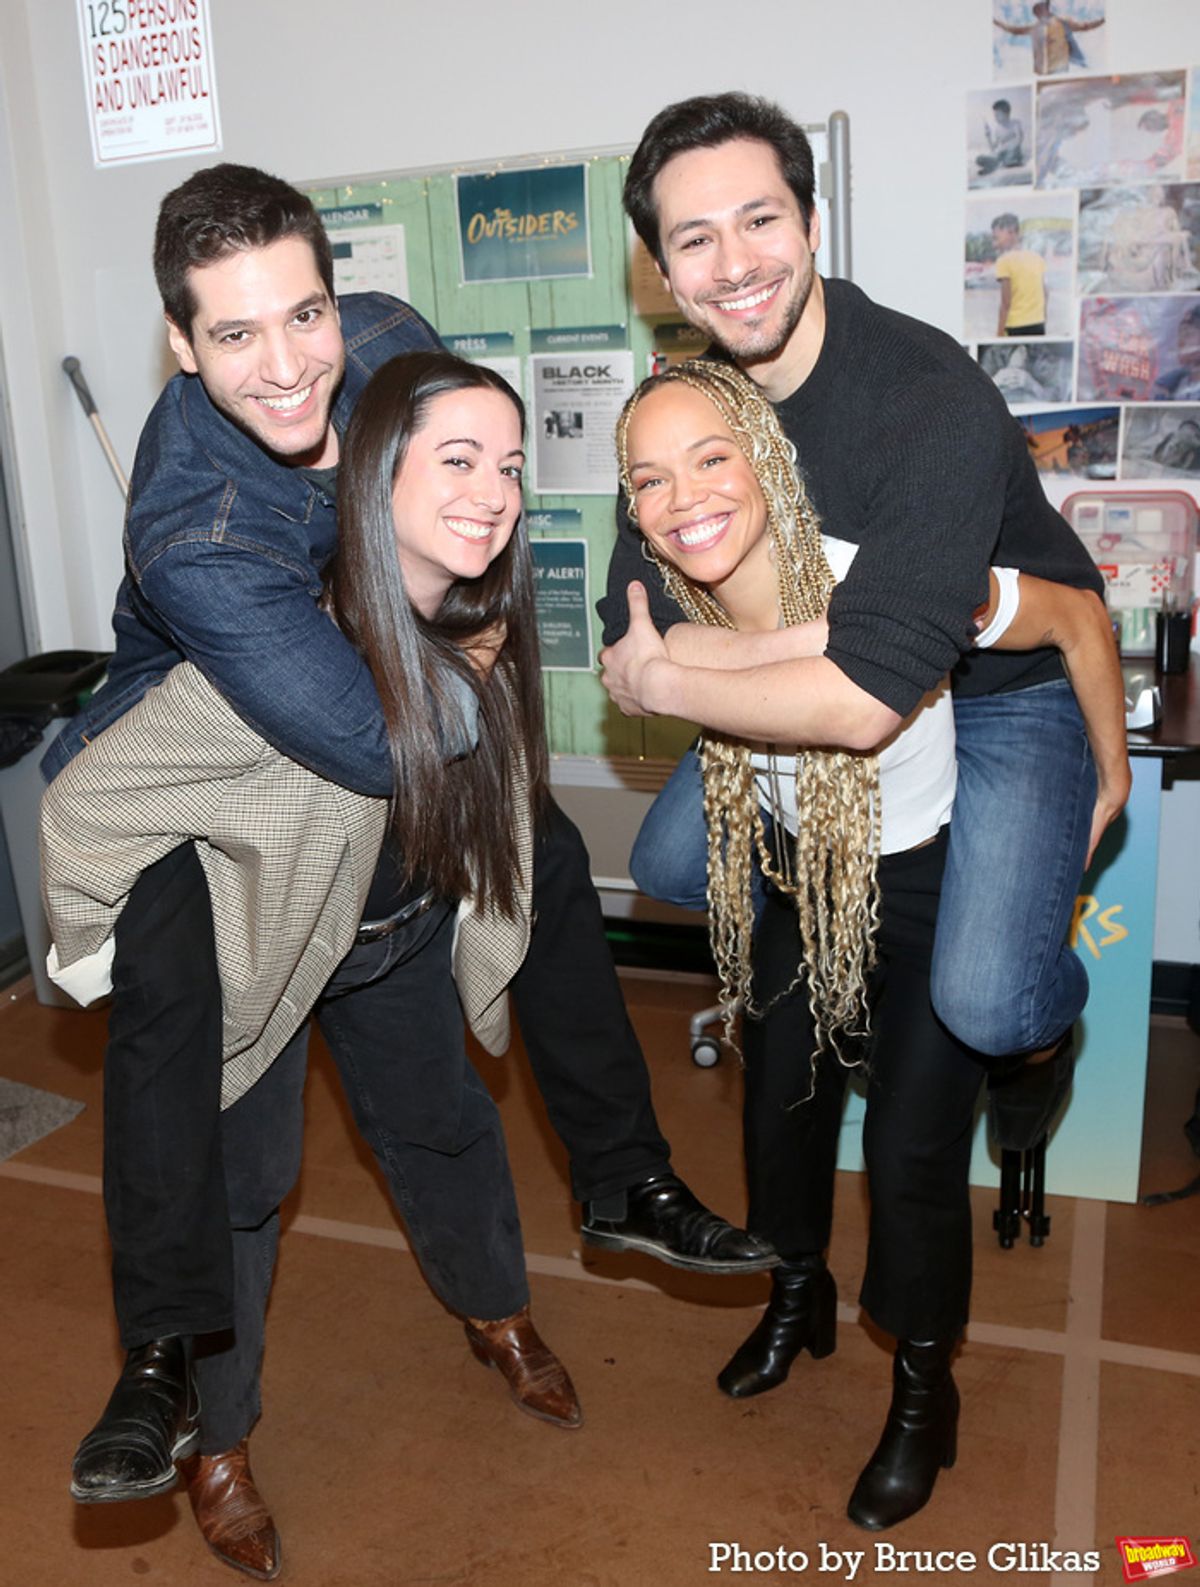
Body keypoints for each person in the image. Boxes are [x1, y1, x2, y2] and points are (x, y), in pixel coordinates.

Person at [43, 166, 771, 1536]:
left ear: (335, 291)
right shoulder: (197, 532)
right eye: (237, 337)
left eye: (302, 313)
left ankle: (539, 1267)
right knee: (239, 1171)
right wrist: (466, 651)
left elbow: (466, 487)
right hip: (238, 859)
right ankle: (207, 1427)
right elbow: (380, 738)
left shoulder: (381, 337)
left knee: (449, 1100)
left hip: (379, 882)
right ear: (182, 344)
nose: (288, 363)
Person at [606, 357, 1128, 1529]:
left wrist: (1110, 768)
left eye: (710, 458)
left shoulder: (891, 581)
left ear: (766, 459)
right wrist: (661, 661)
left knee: (907, 1154)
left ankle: (921, 1387)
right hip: (803, 874)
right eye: (648, 478)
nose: (683, 496)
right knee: (774, 1100)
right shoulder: (668, 610)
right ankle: (798, 1292)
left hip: (927, 875)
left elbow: (1071, 618)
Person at [600, 93, 1128, 1144]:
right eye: (695, 238)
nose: (736, 261)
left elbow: (857, 700)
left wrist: (665, 684)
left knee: (987, 1001)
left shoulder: (927, 395)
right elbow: (636, 616)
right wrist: (690, 656)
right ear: (661, 267)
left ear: (811, 224)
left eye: (760, 220)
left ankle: (1042, 1037)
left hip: (999, 690)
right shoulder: (689, 404)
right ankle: (853, 934)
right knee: (662, 865)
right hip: (835, 671)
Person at [994, 2, 1105, 77]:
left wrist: (1103, 20)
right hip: (1041, 74)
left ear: (1046, 9)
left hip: (1059, 71)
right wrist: (998, 24)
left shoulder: (1062, 22)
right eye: (1036, 12)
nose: (1038, 13)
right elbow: (1015, 30)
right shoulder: (1035, 28)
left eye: (1040, 9)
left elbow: (1084, 26)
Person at [991, 212, 1047, 337]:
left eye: (997, 238)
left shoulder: (1004, 261)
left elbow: (1006, 302)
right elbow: (1045, 293)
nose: (995, 244)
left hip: (1015, 326)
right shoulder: (1037, 258)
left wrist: (999, 333)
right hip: (1038, 323)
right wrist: (1043, 319)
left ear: (1011, 232)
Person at [975, 99, 1025, 177]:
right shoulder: (997, 129)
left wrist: (1009, 147)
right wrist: (988, 136)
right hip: (1001, 155)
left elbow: (1019, 139)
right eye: (994, 115)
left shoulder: (1015, 123)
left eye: (998, 115)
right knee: (979, 159)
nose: (995, 118)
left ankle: (997, 164)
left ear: (1007, 114)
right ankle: (997, 164)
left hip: (1013, 153)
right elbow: (993, 148)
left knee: (1011, 152)